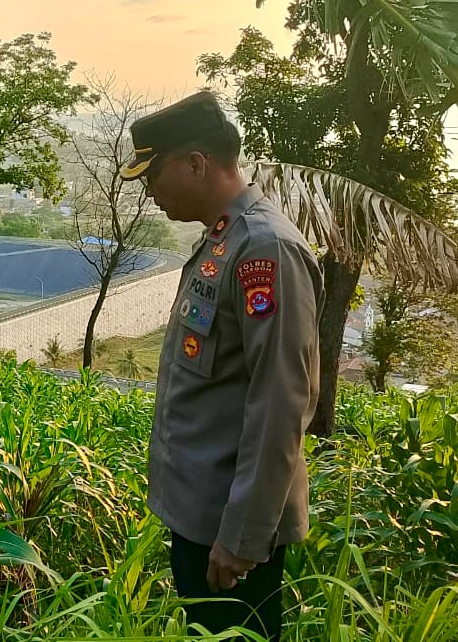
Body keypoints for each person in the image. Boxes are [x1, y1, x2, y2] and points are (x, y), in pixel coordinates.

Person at [120, 90, 322, 641]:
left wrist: (243, 537)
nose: (150, 191)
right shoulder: (223, 239)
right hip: (202, 516)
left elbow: (280, 403)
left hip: (229, 531)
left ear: (195, 163)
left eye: (153, 175)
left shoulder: (265, 249)